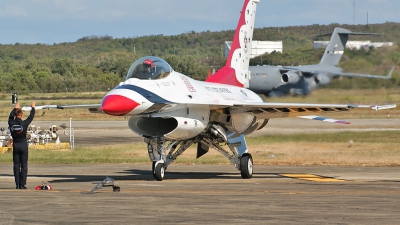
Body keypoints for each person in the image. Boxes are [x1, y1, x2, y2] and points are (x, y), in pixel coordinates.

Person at [8, 101, 35, 189]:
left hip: (15, 145)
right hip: (23, 145)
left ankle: (17, 184)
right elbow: (31, 117)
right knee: (23, 165)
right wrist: (33, 108)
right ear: (21, 115)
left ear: (16, 115)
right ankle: (22, 184)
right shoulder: (24, 124)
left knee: (16, 165)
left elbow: (10, 117)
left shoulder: (11, 123)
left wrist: (15, 108)